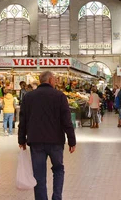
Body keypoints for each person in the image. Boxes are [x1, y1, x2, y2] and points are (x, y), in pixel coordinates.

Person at [19, 71, 76, 200]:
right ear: (50, 80)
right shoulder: (60, 96)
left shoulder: (29, 97)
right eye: (54, 79)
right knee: (58, 169)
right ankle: (57, 197)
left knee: (39, 174)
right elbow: (66, 120)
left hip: (36, 141)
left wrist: (21, 139)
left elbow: (23, 120)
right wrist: (72, 141)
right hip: (56, 141)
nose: (55, 82)